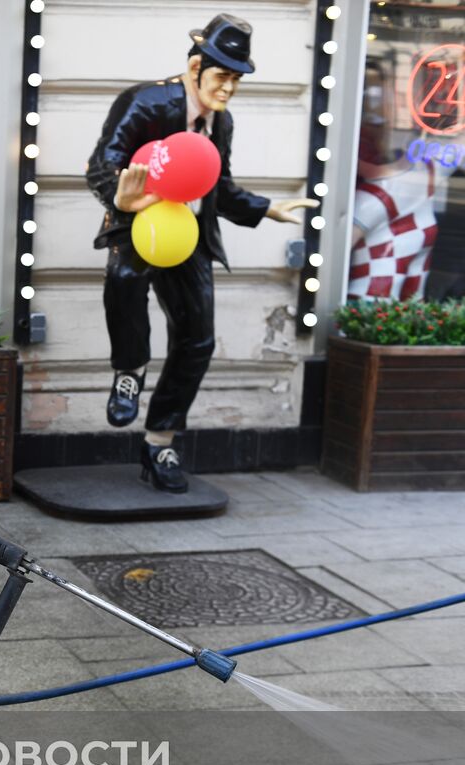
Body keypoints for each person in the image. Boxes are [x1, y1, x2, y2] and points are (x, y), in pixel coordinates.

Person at [86, 13, 316, 492]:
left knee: (198, 339)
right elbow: (102, 163)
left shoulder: (221, 123)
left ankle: (160, 441)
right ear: (195, 68)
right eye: (222, 76)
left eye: (236, 79)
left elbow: (217, 186)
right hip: (141, 225)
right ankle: (129, 371)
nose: (229, 88)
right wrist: (120, 197)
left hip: (188, 233)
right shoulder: (146, 102)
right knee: (125, 283)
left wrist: (267, 208)